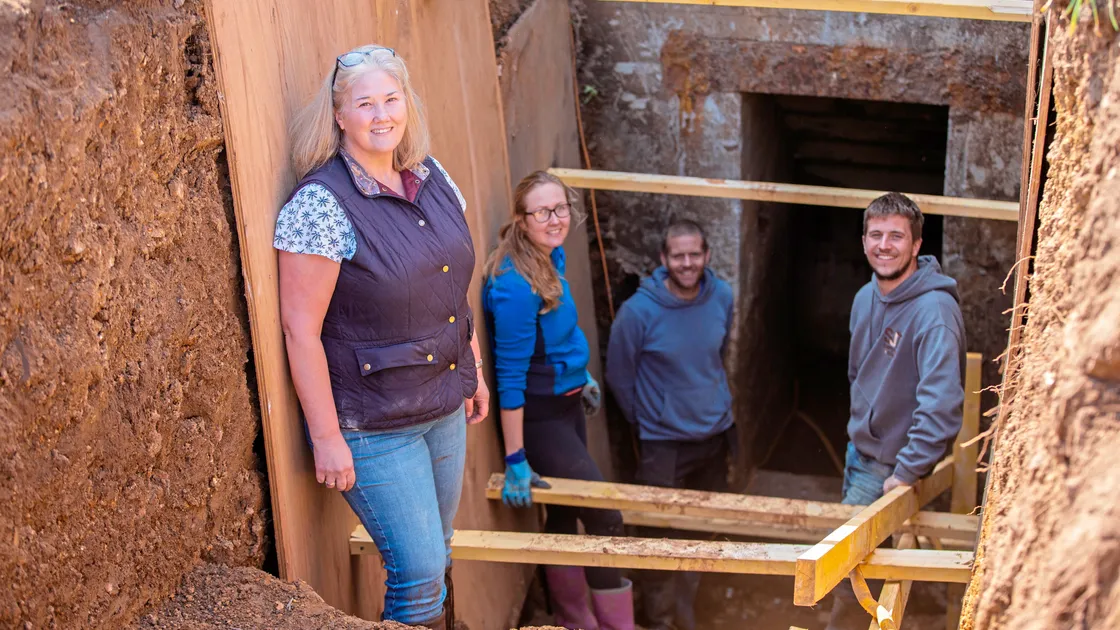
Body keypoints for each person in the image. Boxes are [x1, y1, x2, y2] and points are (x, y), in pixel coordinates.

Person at [274, 45, 489, 630]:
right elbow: (300, 329)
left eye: (391, 99)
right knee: (418, 570)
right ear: (339, 115)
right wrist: (326, 437)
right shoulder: (320, 205)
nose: (380, 114)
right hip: (373, 425)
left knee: (439, 550)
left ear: (407, 105)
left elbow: (450, 284)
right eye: (364, 103)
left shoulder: (431, 176)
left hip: (442, 404)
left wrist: (470, 366)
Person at [483, 171, 634, 630]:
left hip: (567, 404)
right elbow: (509, 377)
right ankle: (606, 625)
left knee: (567, 511)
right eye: (543, 211)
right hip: (541, 418)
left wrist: (580, 373)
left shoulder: (552, 255)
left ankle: (573, 621)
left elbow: (555, 335)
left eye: (562, 208)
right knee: (607, 518)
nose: (556, 218)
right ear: (521, 219)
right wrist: (515, 458)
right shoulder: (513, 286)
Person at [826, 192, 966, 629]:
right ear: (863, 240)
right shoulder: (864, 297)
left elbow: (942, 406)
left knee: (848, 576)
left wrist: (906, 471)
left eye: (896, 236)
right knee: (858, 569)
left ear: (917, 244)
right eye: (875, 235)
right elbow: (857, 376)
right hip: (860, 454)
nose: (884, 245)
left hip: (890, 468)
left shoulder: (934, 313)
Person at [605, 219, 736, 630]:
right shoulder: (638, 312)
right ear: (663, 259)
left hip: (716, 437)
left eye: (694, 254)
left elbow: (719, 351)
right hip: (664, 445)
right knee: (657, 534)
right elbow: (618, 376)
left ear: (707, 256)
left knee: (707, 534)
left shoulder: (723, 296)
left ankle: (694, 615)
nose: (687, 263)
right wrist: (650, 420)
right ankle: (661, 620)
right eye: (677, 255)